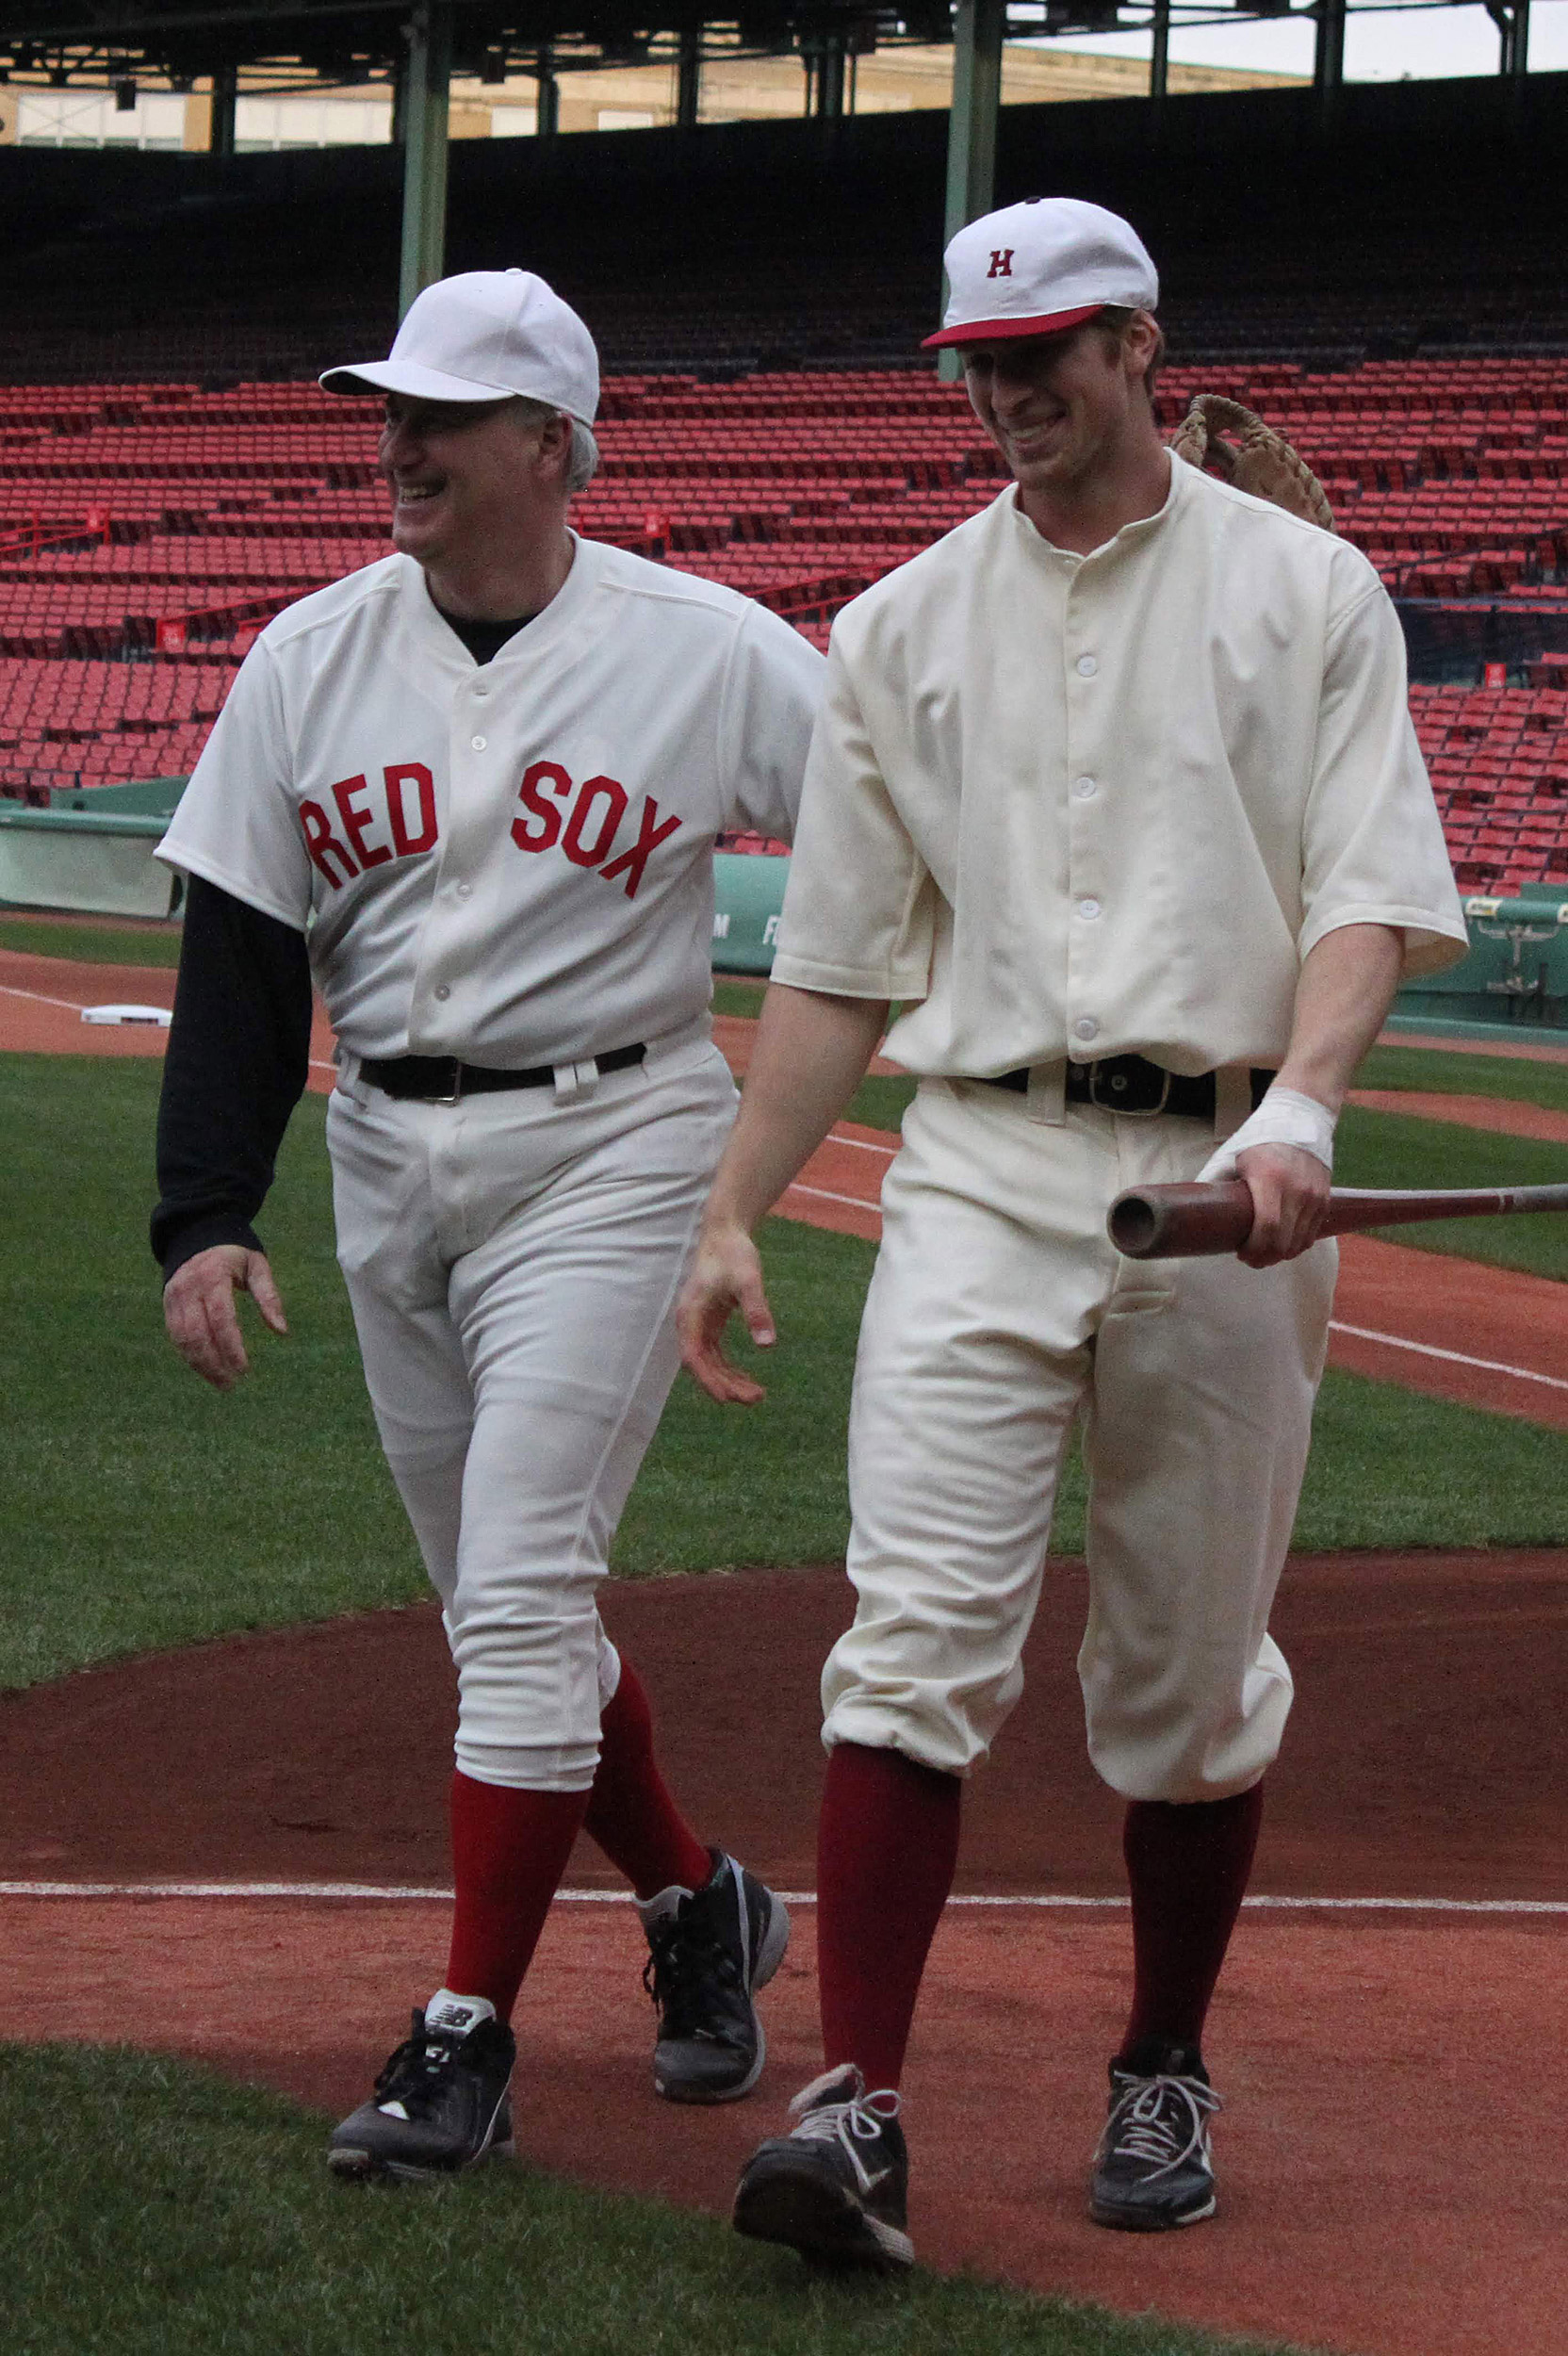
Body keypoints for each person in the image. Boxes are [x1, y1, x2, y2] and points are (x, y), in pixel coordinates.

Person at [677, 197, 1467, 2269]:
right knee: (912, 1635)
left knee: (1189, 1677)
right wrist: (737, 1207)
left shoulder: (1304, 589)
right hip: (983, 1167)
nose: (1010, 389)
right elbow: (838, 969)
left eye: (1048, 351)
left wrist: (1301, 1105)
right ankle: (856, 2107)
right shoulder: (901, 625)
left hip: (1224, 1183)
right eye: (976, 361)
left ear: (1138, 344)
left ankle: (1163, 2054)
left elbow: (1367, 895)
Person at [152, 268, 825, 2182]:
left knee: (520, 1589)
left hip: (615, 1144)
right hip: (383, 1151)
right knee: (495, 1611)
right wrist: (205, 1211)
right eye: (389, 407)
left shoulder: (707, 651)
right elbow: (242, 938)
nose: (399, 442)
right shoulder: (309, 651)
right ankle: (700, 1904)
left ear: (554, 448)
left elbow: (904, 824)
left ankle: (463, 2034)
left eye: (441, 415)